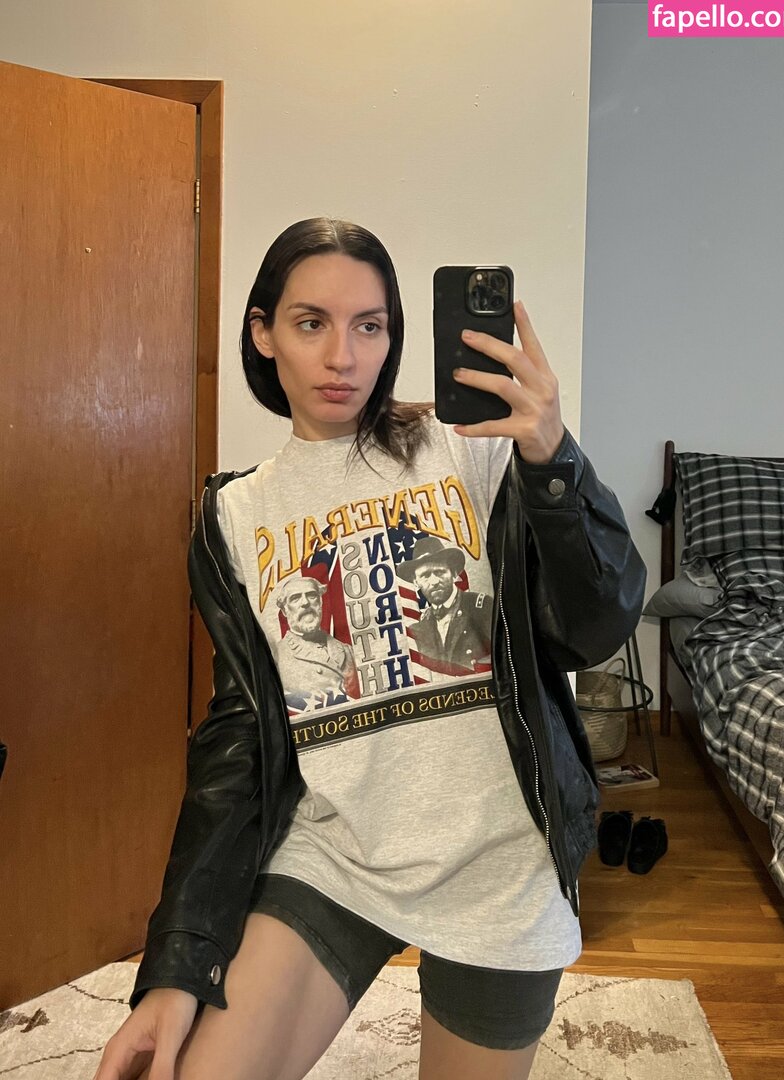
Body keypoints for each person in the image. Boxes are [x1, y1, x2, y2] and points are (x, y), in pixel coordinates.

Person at [94, 217, 645, 1080]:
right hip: (335, 853)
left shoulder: (470, 450)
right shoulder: (233, 515)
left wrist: (550, 456)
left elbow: (597, 623)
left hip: (496, 867)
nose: (342, 357)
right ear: (263, 333)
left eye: (370, 326)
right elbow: (236, 744)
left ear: (393, 336)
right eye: (311, 322)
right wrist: (175, 967)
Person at [397, 535, 493, 676]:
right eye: (425, 575)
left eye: (439, 572)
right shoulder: (419, 628)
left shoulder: (481, 607)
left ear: (453, 574)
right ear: (416, 582)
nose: (434, 581)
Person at [273, 574, 360, 708]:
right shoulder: (277, 657)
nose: (305, 602)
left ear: (320, 602)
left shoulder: (347, 650)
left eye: (311, 595)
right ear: (284, 610)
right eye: (295, 598)